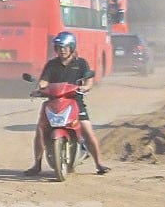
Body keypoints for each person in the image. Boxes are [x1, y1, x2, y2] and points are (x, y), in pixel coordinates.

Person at [24, 31, 110, 176]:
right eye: (59, 47)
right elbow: (44, 80)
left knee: (88, 131)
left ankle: (99, 164)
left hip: (75, 101)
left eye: (65, 47)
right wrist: (39, 88)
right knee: (40, 130)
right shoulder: (51, 65)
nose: (62, 50)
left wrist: (85, 87)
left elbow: (88, 80)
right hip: (53, 102)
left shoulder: (81, 63)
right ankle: (36, 165)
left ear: (72, 47)